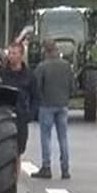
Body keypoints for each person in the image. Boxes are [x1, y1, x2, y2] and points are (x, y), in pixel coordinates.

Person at [32, 39, 73, 179]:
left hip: (47, 105)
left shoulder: (42, 67)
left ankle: (46, 167)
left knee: (46, 137)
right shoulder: (66, 66)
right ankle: (65, 169)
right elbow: (72, 85)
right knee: (63, 137)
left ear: (45, 51)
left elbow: (36, 86)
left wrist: (39, 100)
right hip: (63, 104)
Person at [0, 41, 37, 159]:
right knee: (5, 150)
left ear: (21, 55)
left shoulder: (29, 75)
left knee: (19, 150)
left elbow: (35, 97)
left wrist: (31, 115)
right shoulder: (2, 74)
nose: (11, 56)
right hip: (5, 116)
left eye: (14, 53)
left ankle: (15, 174)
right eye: (9, 53)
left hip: (21, 117)